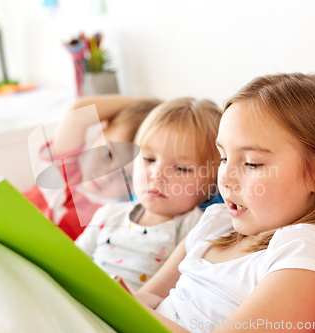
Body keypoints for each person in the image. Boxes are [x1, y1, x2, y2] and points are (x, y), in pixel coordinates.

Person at [134, 73, 315, 333]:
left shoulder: (304, 252)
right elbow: (145, 298)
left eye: (251, 163)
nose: (225, 178)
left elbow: (137, 309)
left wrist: (133, 310)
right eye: (223, 158)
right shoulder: (215, 223)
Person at [75, 97, 223, 292]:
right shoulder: (108, 214)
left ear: (212, 183)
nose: (157, 175)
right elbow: (71, 263)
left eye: (181, 168)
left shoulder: (196, 229)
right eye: (149, 159)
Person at [25, 95, 162, 240]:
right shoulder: (66, 169)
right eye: (107, 154)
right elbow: (76, 114)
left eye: (127, 177)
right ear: (100, 132)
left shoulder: (118, 215)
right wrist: (153, 107)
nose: (105, 177)